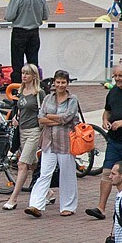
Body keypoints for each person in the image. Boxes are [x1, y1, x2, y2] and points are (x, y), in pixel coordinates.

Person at [24, 69, 80, 218]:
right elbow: (40, 118)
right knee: (44, 173)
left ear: (67, 83)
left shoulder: (72, 99)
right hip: (48, 140)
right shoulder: (48, 98)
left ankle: (68, 206)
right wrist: (54, 118)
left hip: (66, 140)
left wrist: (50, 117)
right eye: (58, 82)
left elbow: (67, 118)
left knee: (67, 173)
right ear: (54, 83)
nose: (60, 85)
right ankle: (36, 204)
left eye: (63, 82)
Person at [86, 63, 122, 220]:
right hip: (114, 140)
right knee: (107, 172)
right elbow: (107, 110)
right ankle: (101, 208)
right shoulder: (113, 91)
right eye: (115, 76)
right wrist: (105, 120)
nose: (117, 79)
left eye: (121, 76)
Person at [3, 64, 44, 210]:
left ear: (34, 76)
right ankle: (49, 192)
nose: (24, 76)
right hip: (22, 130)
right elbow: (21, 109)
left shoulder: (39, 93)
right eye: (22, 73)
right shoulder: (21, 91)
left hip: (34, 131)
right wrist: (16, 118)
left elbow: (42, 111)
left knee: (22, 164)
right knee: (32, 164)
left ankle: (13, 198)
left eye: (27, 73)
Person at [4, 0, 49, 83]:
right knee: (33, 61)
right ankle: (34, 85)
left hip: (19, 31)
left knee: (17, 62)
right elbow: (45, 15)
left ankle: (17, 87)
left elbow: (9, 16)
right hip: (34, 31)